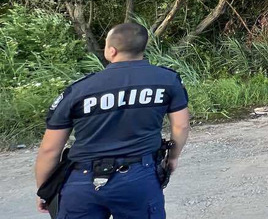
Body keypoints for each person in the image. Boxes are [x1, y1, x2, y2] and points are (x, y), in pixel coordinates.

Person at [34, 23, 190, 218]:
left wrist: (45, 190)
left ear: (111, 50)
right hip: (138, 177)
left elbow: (49, 150)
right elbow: (181, 125)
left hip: (82, 181)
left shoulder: (79, 90)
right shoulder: (167, 80)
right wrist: (173, 157)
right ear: (142, 48)